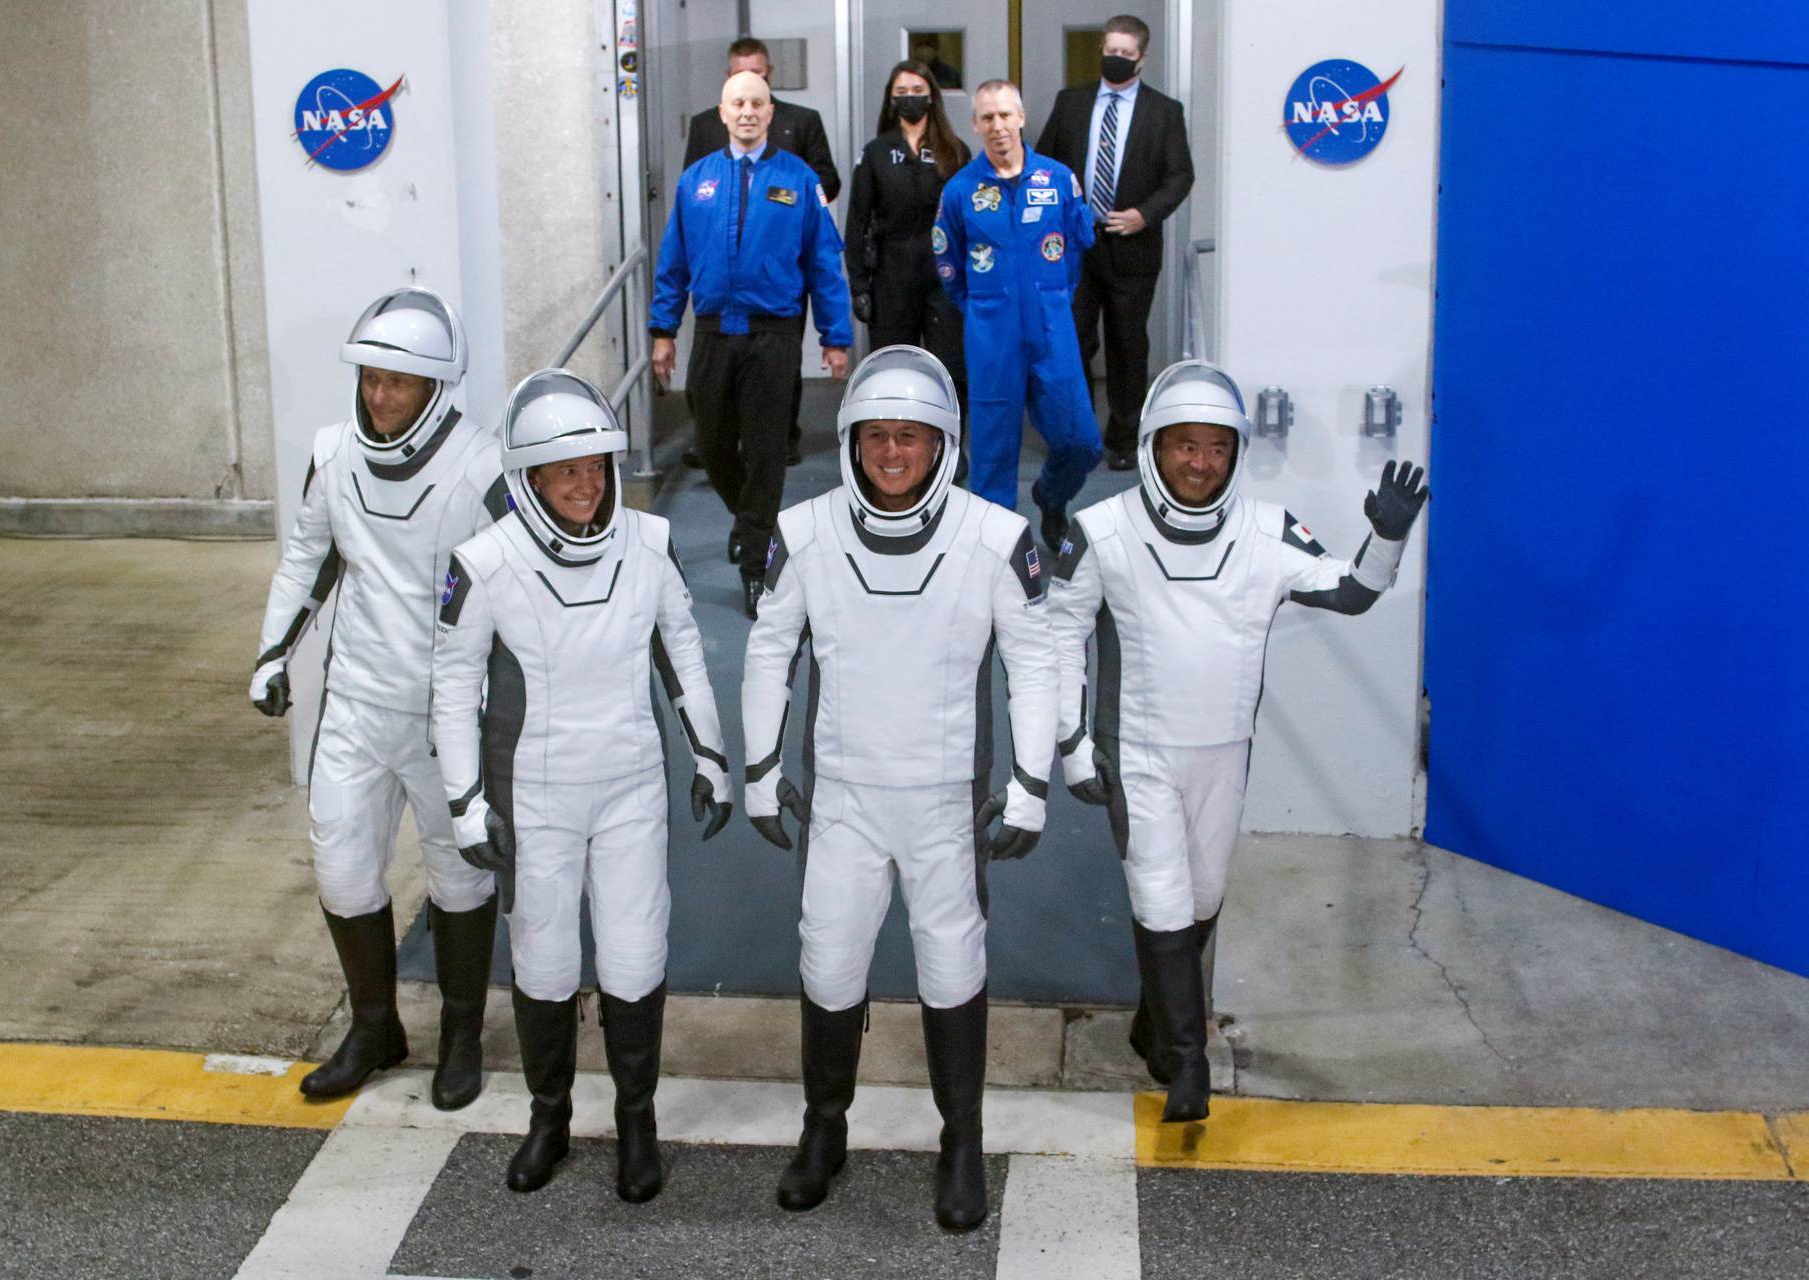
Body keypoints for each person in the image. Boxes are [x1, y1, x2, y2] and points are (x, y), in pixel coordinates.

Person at [1048, 360, 1429, 1123]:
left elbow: (1349, 592)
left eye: (1216, 448)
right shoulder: (1101, 531)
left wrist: (1385, 537)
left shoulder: (1265, 528)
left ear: (1234, 453)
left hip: (1224, 750)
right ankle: (1188, 1066)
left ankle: (1154, 1028)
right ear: (1155, 447)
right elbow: (1056, 638)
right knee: (1159, 892)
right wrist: (1073, 742)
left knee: (1203, 896)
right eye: (1184, 446)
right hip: (1140, 752)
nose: (1200, 462)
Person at [741, 346, 1058, 1232]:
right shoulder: (803, 533)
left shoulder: (994, 539)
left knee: (952, 966)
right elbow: (771, 649)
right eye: (877, 435)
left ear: (941, 444)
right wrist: (760, 770)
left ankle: (961, 1142)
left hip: (943, 801)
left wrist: (1031, 782)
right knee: (828, 960)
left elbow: (1035, 664)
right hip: (843, 795)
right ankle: (823, 1130)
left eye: (909, 438)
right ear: (851, 440)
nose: (892, 452)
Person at [430, 369, 732, 1204]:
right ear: (527, 478)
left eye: (596, 465)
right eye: (565, 471)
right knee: (546, 960)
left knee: (637, 958)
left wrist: (711, 754)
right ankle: (550, 1118)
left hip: (632, 787)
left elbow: (683, 651)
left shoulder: (649, 540)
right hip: (534, 799)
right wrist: (465, 803)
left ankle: (638, 1121)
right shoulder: (483, 562)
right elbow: (453, 688)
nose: (585, 484)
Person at [248, 286, 506, 1111]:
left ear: (435, 387)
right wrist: (271, 654)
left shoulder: (483, 467)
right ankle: (374, 1025)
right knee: (344, 872)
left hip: (447, 717)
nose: (379, 395)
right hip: (356, 705)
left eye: (398, 381)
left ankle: (461, 1032)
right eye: (370, 378)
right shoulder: (334, 455)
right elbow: (307, 559)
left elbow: (518, 592)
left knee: (460, 878)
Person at [651, 70, 854, 620]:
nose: (747, 111)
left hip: (774, 333)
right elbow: (673, 263)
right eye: (737, 102)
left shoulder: (800, 179)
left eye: (757, 103)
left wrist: (836, 339)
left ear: (771, 113)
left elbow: (824, 266)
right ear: (722, 113)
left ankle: (756, 563)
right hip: (715, 331)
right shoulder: (697, 181)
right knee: (714, 445)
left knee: (766, 450)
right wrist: (663, 331)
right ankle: (756, 527)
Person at [934, 80, 1103, 553]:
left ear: (1022, 118)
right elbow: (950, 268)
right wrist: (986, 311)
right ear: (975, 125)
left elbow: (1073, 253)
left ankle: (1050, 496)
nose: (998, 126)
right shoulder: (960, 191)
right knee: (992, 459)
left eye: (1006, 115)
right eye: (987, 117)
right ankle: (997, 560)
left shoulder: (1058, 179)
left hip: (1052, 331)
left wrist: (1050, 299)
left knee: (1082, 441)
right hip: (991, 336)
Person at [1035, 14, 1194, 472]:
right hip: (1075, 248)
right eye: (1110, 50)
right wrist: (1064, 212)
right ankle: (1076, 433)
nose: (1115, 59)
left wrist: (1145, 214)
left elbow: (1180, 174)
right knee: (1073, 342)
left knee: (1127, 345)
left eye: (1126, 54)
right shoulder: (1070, 103)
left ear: (1142, 59)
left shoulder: (1165, 112)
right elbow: (1044, 165)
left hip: (1133, 246)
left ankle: (1124, 437)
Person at [683, 37, 841, 470]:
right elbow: (692, 197)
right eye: (737, 75)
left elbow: (828, 179)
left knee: (778, 368)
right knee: (714, 373)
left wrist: (788, 205)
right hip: (722, 273)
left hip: (782, 264)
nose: (747, 109)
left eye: (757, 73)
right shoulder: (706, 125)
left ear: (769, 75)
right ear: (726, 83)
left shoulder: (801, 122)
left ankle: (778, 438)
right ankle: (719, 438)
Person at [845, 61, 971, 459]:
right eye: (902, 91)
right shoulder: (877, 153)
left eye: (917, 89)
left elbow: (969, 218)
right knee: (892, 368)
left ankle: (948, 447)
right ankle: (890, 450)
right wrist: (860, 286)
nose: (910, 97)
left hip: (944, 274)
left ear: (931, 95)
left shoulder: (954, 150)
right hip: (892, 273)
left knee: (949, 367)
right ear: (891, 98)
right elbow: (857, 222)